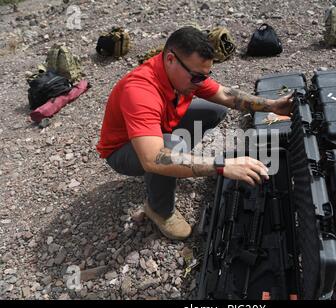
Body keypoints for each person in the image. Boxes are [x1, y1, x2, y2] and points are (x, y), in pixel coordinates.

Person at [96, 26, 293, 240]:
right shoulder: (140, 91)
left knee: (215, 110)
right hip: (122, 151)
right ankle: (159, 210)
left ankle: (174, 165)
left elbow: (225, 95)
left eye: (205, 76)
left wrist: (272, 106)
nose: (201, 82)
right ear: (170, 59)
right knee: (169, 147)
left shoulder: (186, 74)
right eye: (198, 77)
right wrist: (222, 166)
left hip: (157, 131)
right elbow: (152, 158)